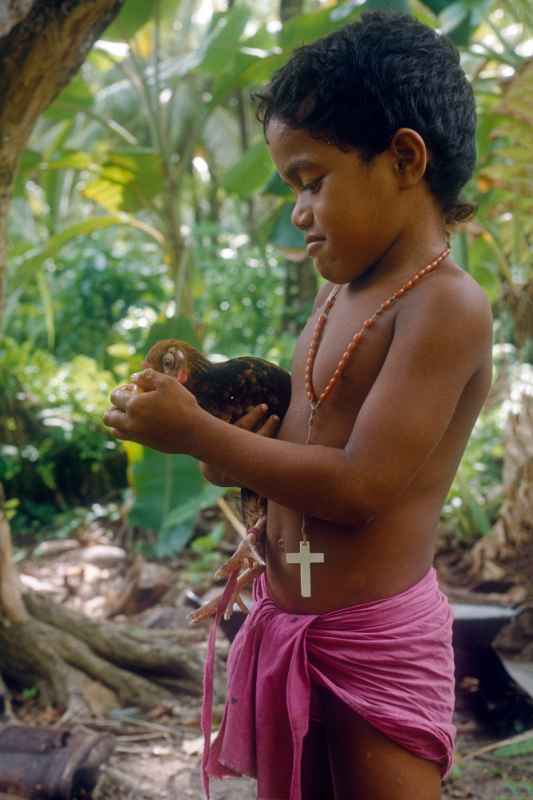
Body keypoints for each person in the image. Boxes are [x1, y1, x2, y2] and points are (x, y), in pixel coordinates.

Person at [104, 11, 493, 800]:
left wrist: (193, 432)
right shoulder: (339, 296)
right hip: (291, 628)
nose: (298, 210)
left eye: (312, 181)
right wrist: (229, 450)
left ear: (404, 158)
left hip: (372, 642)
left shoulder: (444, 306)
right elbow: (299, 461)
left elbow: (357, 487)